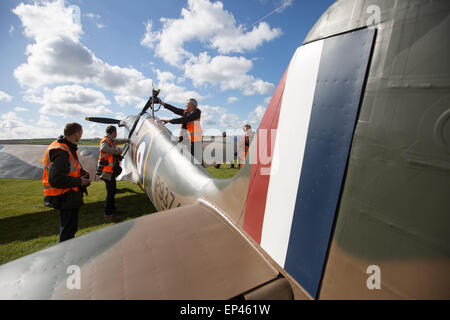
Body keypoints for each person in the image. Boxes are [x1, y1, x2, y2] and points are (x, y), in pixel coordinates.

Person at [42, 122, 91, 242]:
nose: (81, 136)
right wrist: (79, 181)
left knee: (69, 227)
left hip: (68, 195)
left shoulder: (65, 146)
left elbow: (68, 170)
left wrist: (81, 174)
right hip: (64, 195)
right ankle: (65, 257)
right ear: (76, 134)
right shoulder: (61, 151)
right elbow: (56, 179)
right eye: (80, 133)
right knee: (68, 230)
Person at [97, 125, 130, 222]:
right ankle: (108, 215)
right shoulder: (106, 140)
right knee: (110, 193)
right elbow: (103, 148)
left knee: (113, 191)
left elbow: (119, 141)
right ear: (113, 132)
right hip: (106, 171)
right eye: (116, 132)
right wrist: (116, 151)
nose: (117, 134)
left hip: (110, 171)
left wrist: (129, 140)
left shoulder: (111, 140)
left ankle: (112, 210)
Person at [158, 98, 203, 165]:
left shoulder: (197, 112)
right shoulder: (186, 112)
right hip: (189, 140)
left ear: (192, 105)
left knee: (197, 163)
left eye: (187, 104)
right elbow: (175, 110)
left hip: (196, 141)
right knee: (189, 162)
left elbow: (185, 119)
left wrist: (170, 121)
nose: (185, 106)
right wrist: (161, 103)